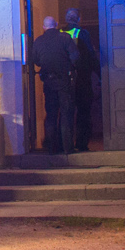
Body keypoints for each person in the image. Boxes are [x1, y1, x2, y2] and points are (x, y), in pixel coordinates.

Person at [31, 15, 78, 153]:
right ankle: (67, 148)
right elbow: (75, 57)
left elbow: (36, 61)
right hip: (64, 81)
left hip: (49, 82)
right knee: (65, 113)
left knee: (51, 114)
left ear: (44, 27)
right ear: (56, 24)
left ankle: (52, 148)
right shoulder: (65, 38)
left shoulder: (38, 41)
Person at [64, 8, 100, 152]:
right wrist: (100, 74)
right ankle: (81, 143)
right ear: (79, 19)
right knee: (83, 113)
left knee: (66, 113)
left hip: (66, 80)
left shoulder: (60, 33)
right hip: (82, 79)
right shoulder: (82, 33)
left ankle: (65, 144)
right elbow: (91, 56)